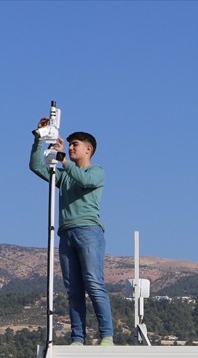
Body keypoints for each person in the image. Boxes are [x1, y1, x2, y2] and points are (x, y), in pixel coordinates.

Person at [30, 120, 114, 345]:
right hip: (66, 233)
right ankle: (78, 337)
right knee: (73, 289)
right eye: (69, 145)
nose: (71, 148)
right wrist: (39, 140)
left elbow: (84, 180)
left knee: (93, 282)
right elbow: (37, 168)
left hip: (89, 231)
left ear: (89, 149)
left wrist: (63, 161)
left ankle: (107, 335)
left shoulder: (97, 172)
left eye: (75, 144)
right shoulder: (65, 175)